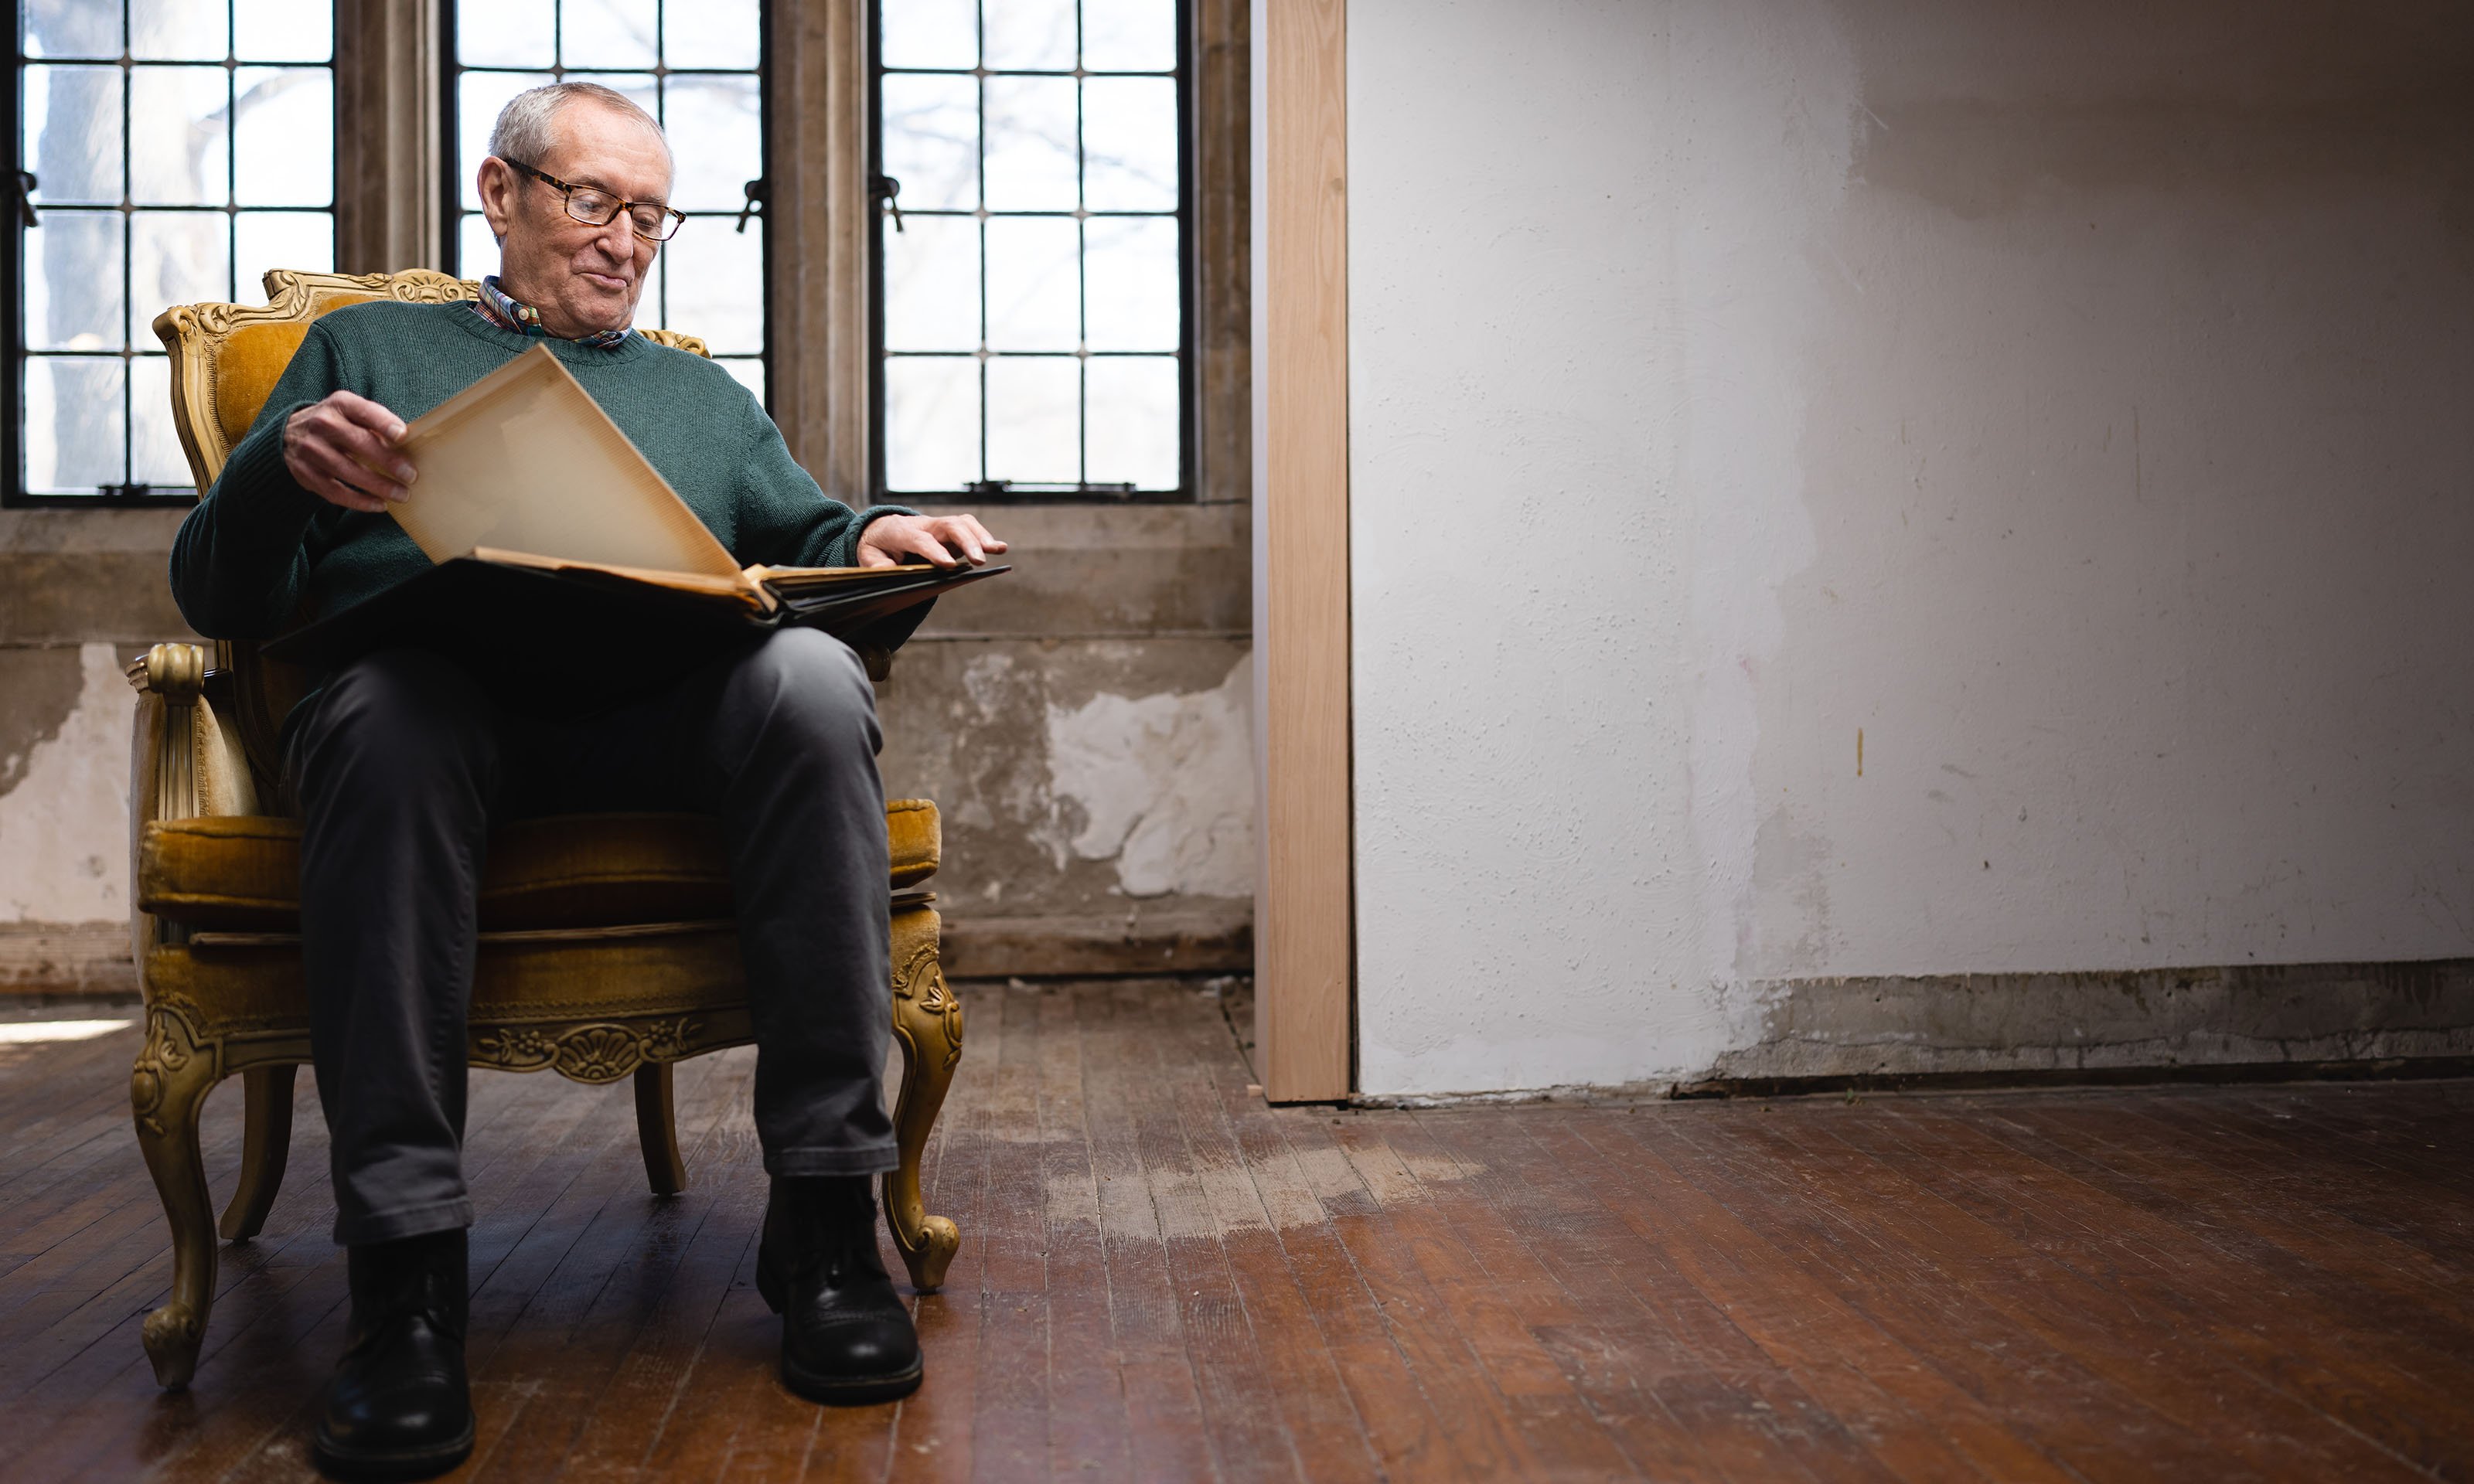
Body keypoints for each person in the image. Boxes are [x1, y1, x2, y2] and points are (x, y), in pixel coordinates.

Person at [168, 82, 1002, 1482]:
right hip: (430, 715)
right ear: (500, 195)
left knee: (806, 679)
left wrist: (877, 540)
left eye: (653, 217)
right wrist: (276, 476)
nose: (627, 241)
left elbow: (803, 535)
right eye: (594, 202)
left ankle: (822, 1227)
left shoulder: (696, 389)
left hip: (654, 723)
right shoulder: (363, 347)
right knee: (385, 711)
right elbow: (218, 594)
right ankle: (406, 1287)